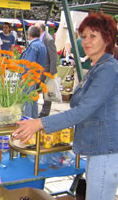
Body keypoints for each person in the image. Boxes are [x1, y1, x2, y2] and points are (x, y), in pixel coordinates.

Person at [13, 13, 118, 200]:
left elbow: (83, 110)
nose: (86, 41)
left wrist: (40, 123)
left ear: (107, 38)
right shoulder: (97, 66)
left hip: (106, 150)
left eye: (93, 36)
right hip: (98, 149)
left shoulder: (108, 69)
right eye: (83, 36)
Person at [20, 26, 47, 119]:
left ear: (29, 35)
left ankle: (26, 121)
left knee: (26, 101)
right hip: (36, 77)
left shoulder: (34, 46)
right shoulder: (41, 45)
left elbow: (28, 64)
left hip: (29, 78)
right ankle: (33, 119)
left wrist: (23, 78)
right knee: (33, 100)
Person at [35, 22, 58, 118]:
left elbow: (53, 57)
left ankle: (45, 112)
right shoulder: (41, 38)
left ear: (40, 29)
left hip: (46, 70)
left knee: (47, 92)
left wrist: (51, 74)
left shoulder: (48, 39)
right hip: (39, 70)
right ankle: (36, 110)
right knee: (37, 89)